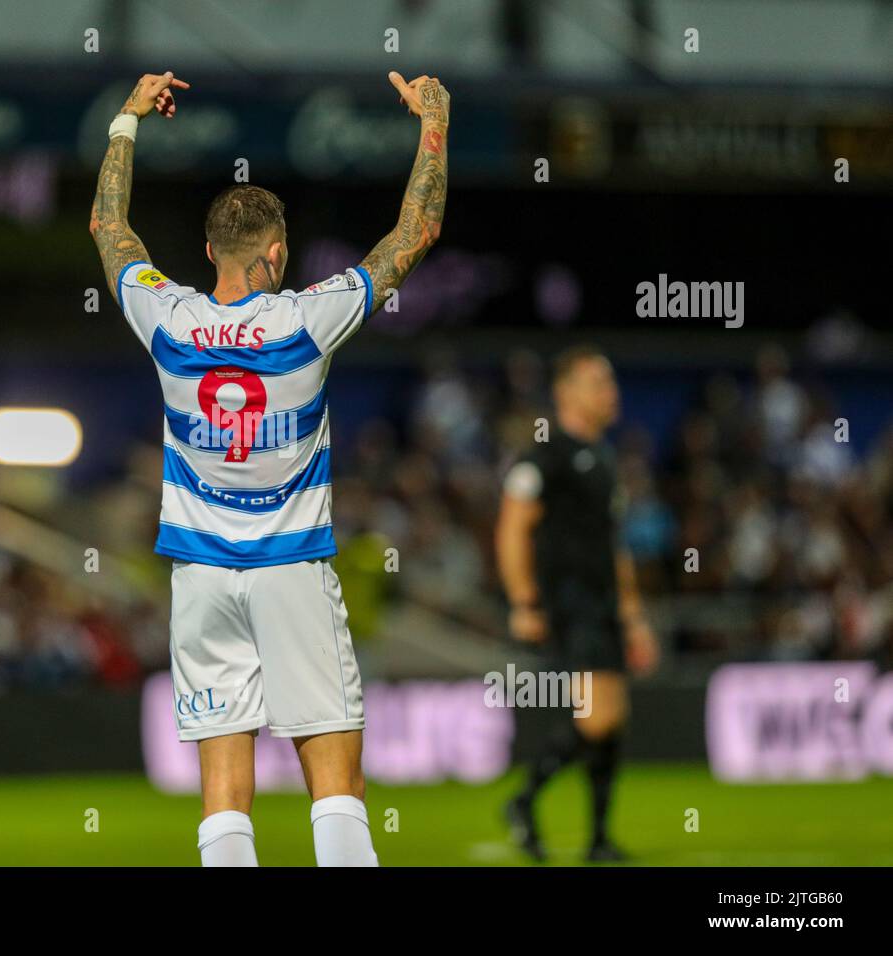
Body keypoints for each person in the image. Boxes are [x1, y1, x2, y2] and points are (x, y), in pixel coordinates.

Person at [89, 69, 449, 865]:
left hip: (201, 577)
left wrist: (126, 117)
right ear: (278, 255)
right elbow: (414, 234)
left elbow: (108, 225)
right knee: (334, 782)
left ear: (211, 250)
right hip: (290, 571)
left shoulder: (168, 317)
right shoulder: (305, 321)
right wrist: (434, 124)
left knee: (223, 794)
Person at [495, 345, 659, 862]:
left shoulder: (606, 460)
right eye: (599, 383)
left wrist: (633, 616)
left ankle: (598, 838)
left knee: (614, 719)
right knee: (595, 718)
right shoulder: (546, 454)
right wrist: (524, 600)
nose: (611, 394)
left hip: (606, 606)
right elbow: (512, 528)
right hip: (570, 604)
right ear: (566, 392)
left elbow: (615, 548)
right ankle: (523, 800)